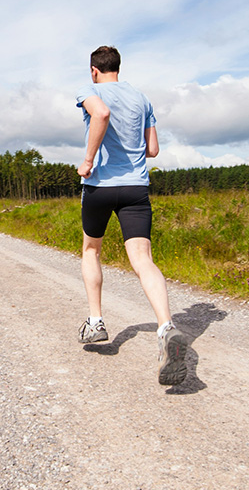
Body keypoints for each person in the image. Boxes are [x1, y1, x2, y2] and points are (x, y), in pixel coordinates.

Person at [75, 45, 188, 386]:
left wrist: (89, 159)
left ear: (94, 70)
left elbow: (102, 114)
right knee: (142, 259)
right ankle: (166, 326)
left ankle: (96, 322)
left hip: (99, 187)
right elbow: (152, 149)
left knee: (91, 250)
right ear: (118, 68)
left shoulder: (90, 91)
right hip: (136, 188)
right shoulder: (141, 98)